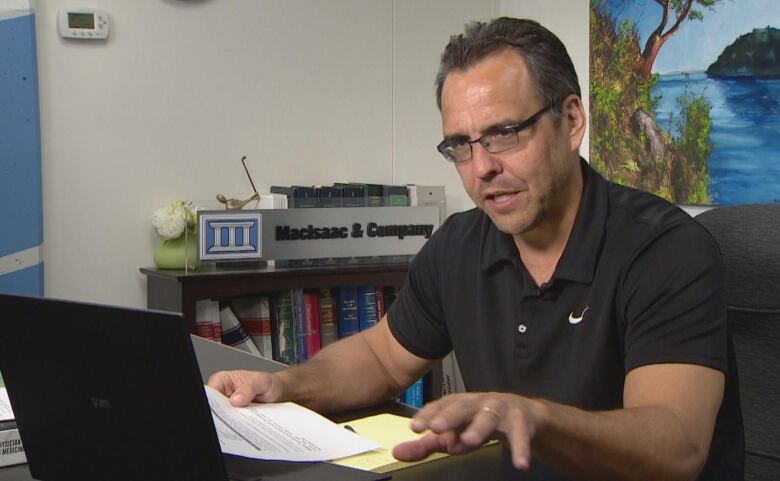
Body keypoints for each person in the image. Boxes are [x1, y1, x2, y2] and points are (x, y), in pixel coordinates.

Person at [208, 17, 743, 481]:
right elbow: (380, 358)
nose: (481, 166)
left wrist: (532, 418)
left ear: (573, 121)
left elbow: (677, 447)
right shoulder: (460, 244)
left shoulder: (666, 250)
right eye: (459, 146)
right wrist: (283, 386)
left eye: (504, 134)